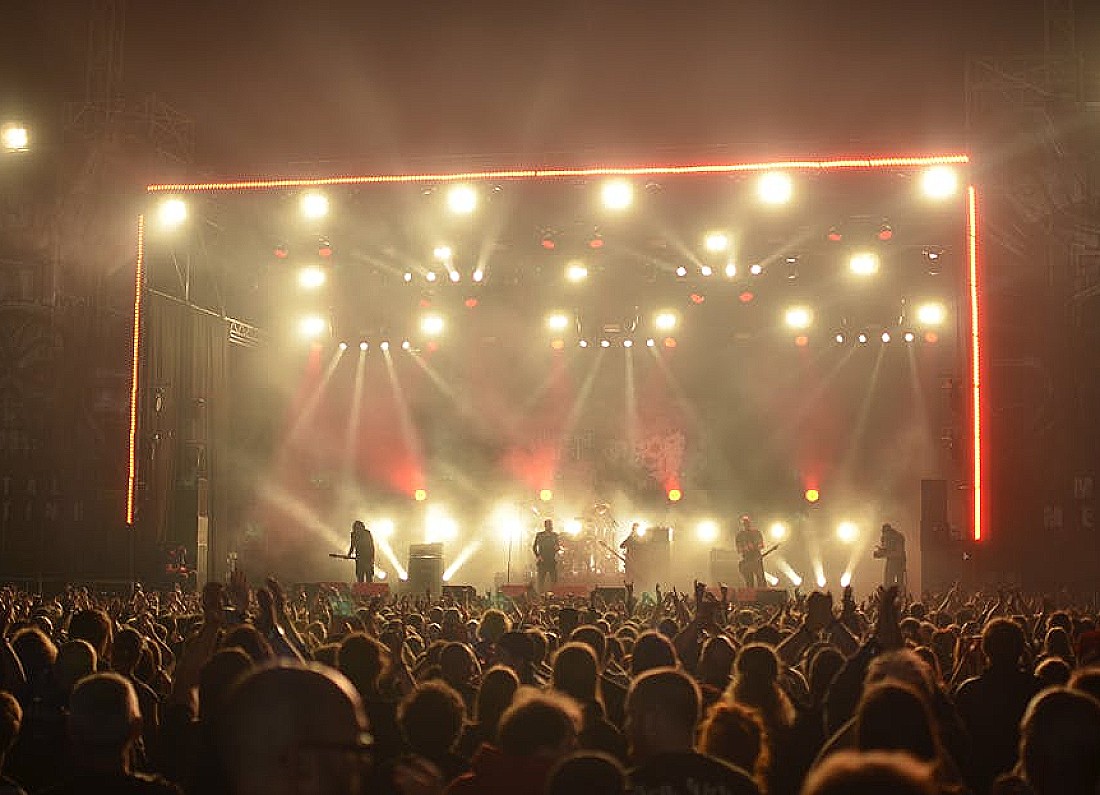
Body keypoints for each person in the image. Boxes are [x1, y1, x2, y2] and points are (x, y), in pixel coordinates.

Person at [626, 667, 760, 794]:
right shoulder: (739, 785)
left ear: (651, 720)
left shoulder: (628, 787)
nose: (627, 727)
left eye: (632, 716)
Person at [735, 515, 766, 588]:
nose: (746, 524)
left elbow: (762, 545)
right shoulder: (739, 535)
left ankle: (763, 592)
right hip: (747, 559)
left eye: (747, 522)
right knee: (749, 580)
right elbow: (739, 549)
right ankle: (750, 593)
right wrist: (745, 548)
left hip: (757, 558)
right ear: (742, 524)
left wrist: (754, 547)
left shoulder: (756, 533)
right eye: (744, 523)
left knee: (760, 578)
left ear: (750, 523)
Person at [873, 523, 906, 589]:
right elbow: (887, 549)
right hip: (891, 561)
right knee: (888, 582)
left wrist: (882, 554)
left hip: (899, 563)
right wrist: (881, 552)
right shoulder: (886, 537)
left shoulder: (898, 537)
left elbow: (898, 553)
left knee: (898, 583)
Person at [533, 519, 561, 594]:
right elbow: (534, 547)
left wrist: (557, 548)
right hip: (542, 560)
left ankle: (554, 595)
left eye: (551, 525)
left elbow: (558, 546)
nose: (551, 526)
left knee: (554, 580)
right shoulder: (540, 535)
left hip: (551, 560)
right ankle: (540, 595)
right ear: (545, 526)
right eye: (549, 525)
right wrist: (538, 556)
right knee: (541, 580)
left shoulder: (554, 535)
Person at [348, 520, 375, 584]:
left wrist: (372, 558)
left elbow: (371, 545)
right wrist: (349, 554)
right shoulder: (353, 534)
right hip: (359, 557)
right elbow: (352, 545)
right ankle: (361, 589)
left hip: (367, 557)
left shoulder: (367, 533)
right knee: (360, 576)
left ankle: (369, 589)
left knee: (369, 576)